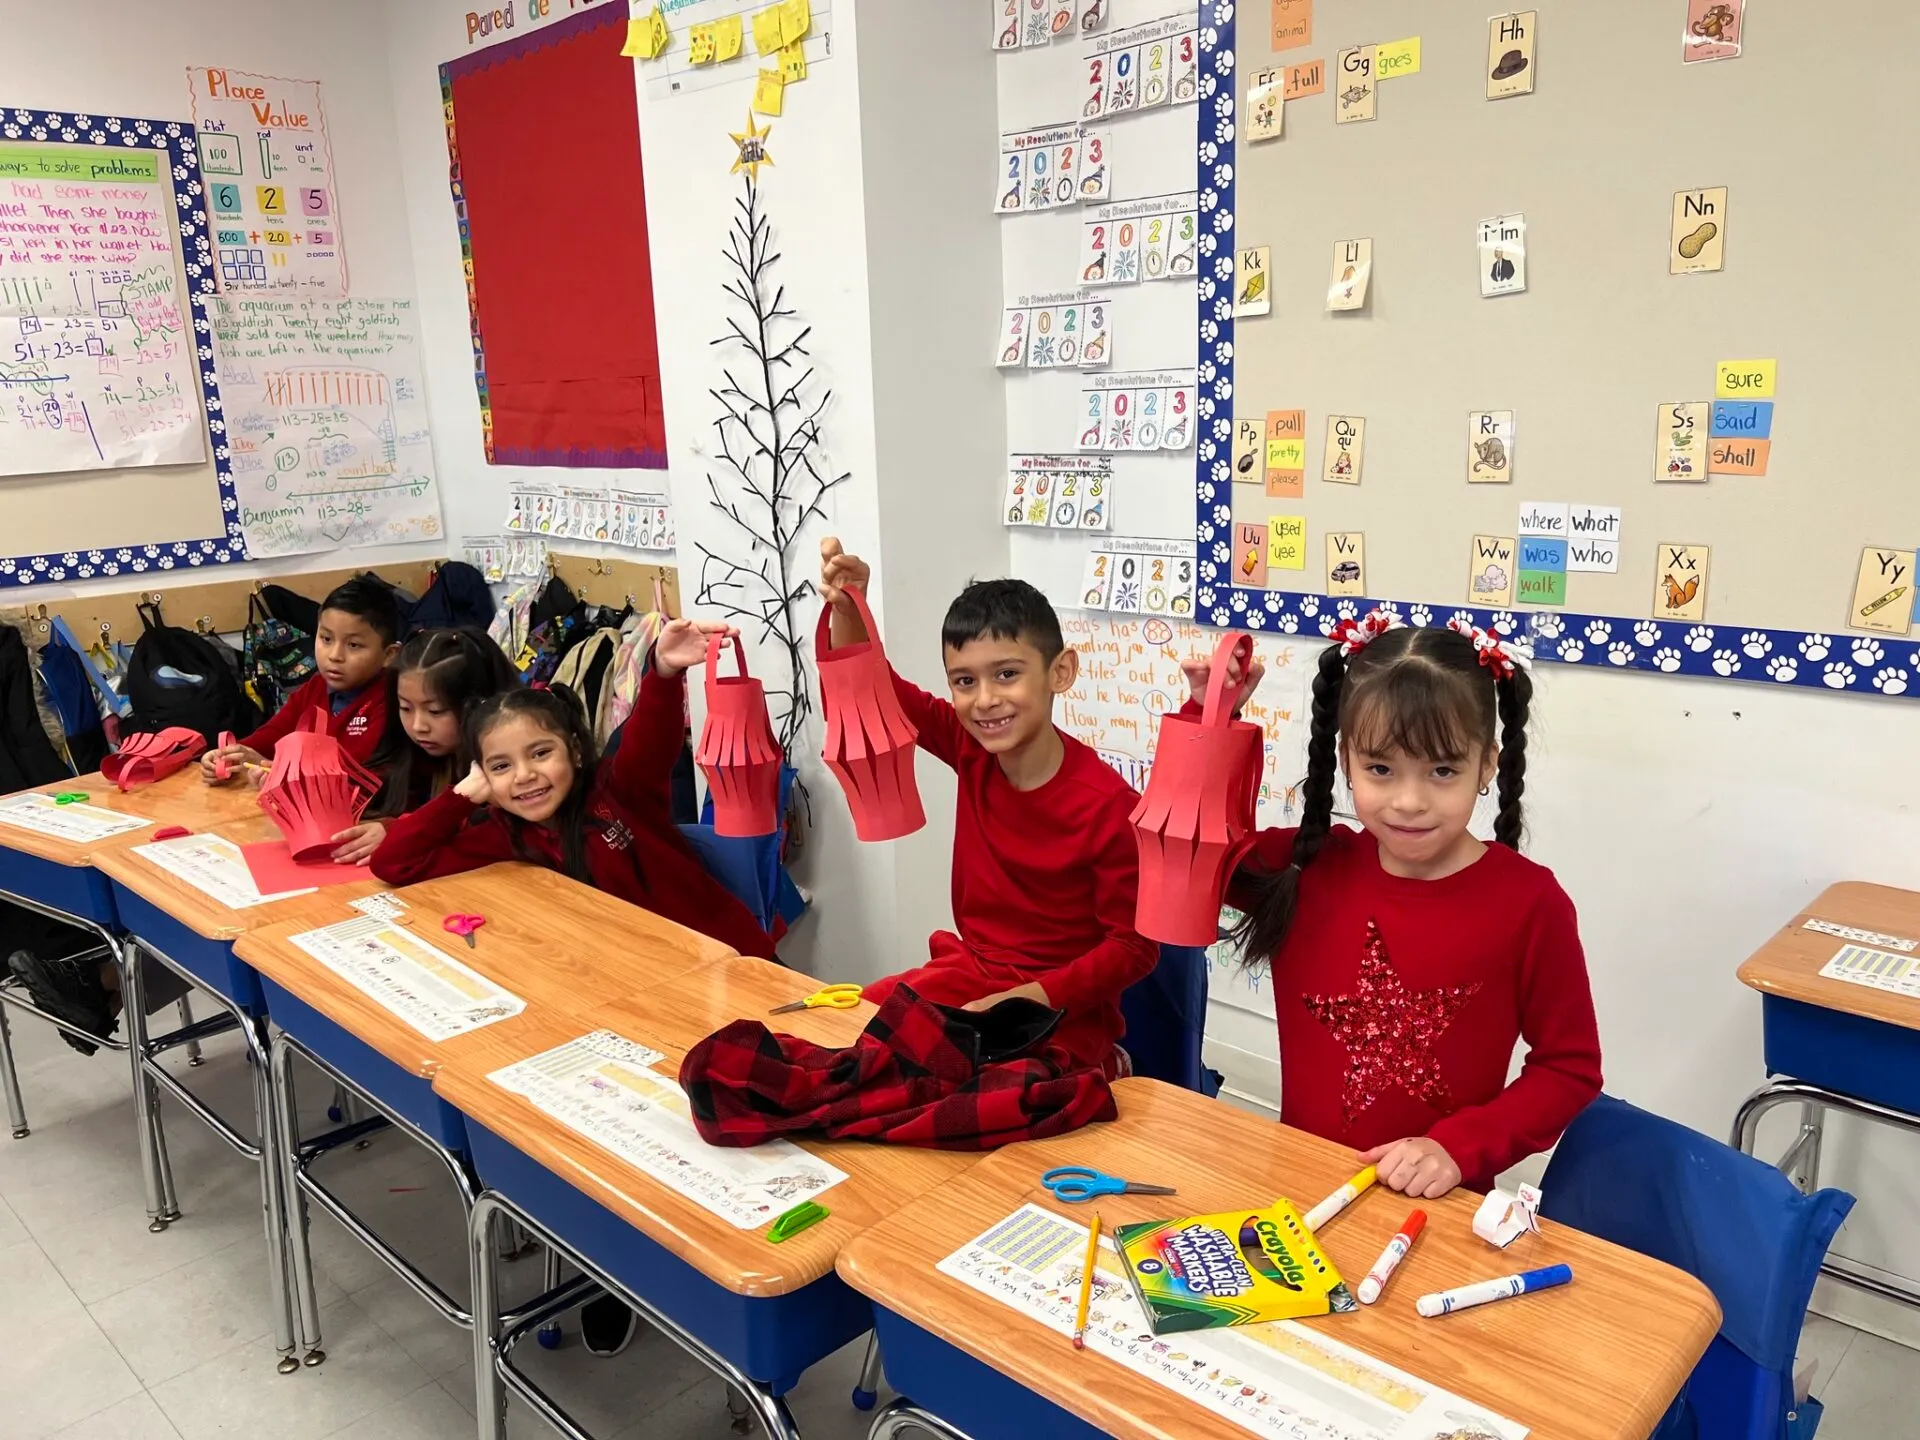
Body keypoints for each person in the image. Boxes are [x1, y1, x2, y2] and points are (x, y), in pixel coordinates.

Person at [1192, 610, 1601, 1198]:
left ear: (1486, 764)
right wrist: (1210, 721)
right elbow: (1190, 854)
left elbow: (1571, 1068)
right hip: (1299, 1187)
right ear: (1346, 759)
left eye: (1442, 771)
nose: (1409, 801)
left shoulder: (1531, 902)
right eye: (1380, 769)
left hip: (1437, 1210)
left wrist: (1460, 1147)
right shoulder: (1307, 865)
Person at [818, 538, 1155, 1079]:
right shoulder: (968, 745)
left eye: (1007, 674)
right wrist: (847, 606)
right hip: (971, 972)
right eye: (964, 681)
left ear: (1060, 673)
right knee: (857, 1032)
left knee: (985, 1091)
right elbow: (874, 688)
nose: (985, 700)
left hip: (1058, 1006)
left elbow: (1135, 949)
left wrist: (1028, 998)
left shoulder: (1110, 806)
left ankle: (1109, 1064)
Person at [369, 617, 774, 962]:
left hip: (728, 960)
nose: (524, 775)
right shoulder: (504, 834)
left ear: (575, 752)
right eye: (501, 766)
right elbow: (394, 864)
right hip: (641, 973)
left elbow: (648, 739)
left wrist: (664, 672)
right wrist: (462, 796)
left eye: (541, 753)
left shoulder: (619, 791)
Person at [327, 628, 520, 865]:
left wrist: (398, 830)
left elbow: (482, 833)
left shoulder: (505, 771)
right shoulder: (409, 754)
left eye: (435, 711)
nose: (418, 726)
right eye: (405, 708)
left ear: (479, 705)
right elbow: (365, 784)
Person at [201, 577, 401, 780]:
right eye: (326, 639)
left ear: (389, 655)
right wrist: (233, 755)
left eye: (354, 645)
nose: (334, 655)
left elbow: (355, 774)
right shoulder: (315, 687)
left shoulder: (393, 701)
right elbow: (274, 733)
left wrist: (283, 773)